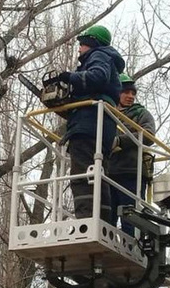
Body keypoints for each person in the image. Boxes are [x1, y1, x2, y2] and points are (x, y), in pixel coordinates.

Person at [47, 25, 125, 221]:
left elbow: (96, 77)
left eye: (82, 44)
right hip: (101, 126)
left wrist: (69, 77)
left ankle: (86, 220)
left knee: (82, 175)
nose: (79, 49)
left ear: (92, 42)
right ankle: (102, 220)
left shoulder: (98, 56)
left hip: (89, 125)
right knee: (99, 176)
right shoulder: (108, 59)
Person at [109, 73, 156, 236]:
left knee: (130, 217)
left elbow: (149, 136)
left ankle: (133, 249)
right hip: (108, 172)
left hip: (131, 172)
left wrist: (120, 141)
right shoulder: (107, 112)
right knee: (108, 217)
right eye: (126, 92)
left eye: (133, 93)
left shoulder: (141, 114)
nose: (130, 96)